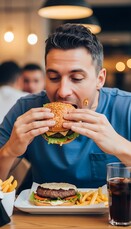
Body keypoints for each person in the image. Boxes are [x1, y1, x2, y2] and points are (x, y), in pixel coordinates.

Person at [0, 24, 131, 189]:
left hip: (110, 213)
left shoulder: (126, 108)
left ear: (100, 79)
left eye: (76, 78)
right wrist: (10, 150)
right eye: (54, 77)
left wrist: (121, 146)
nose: (62, 92)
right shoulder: (26, 109)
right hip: (41, 212)